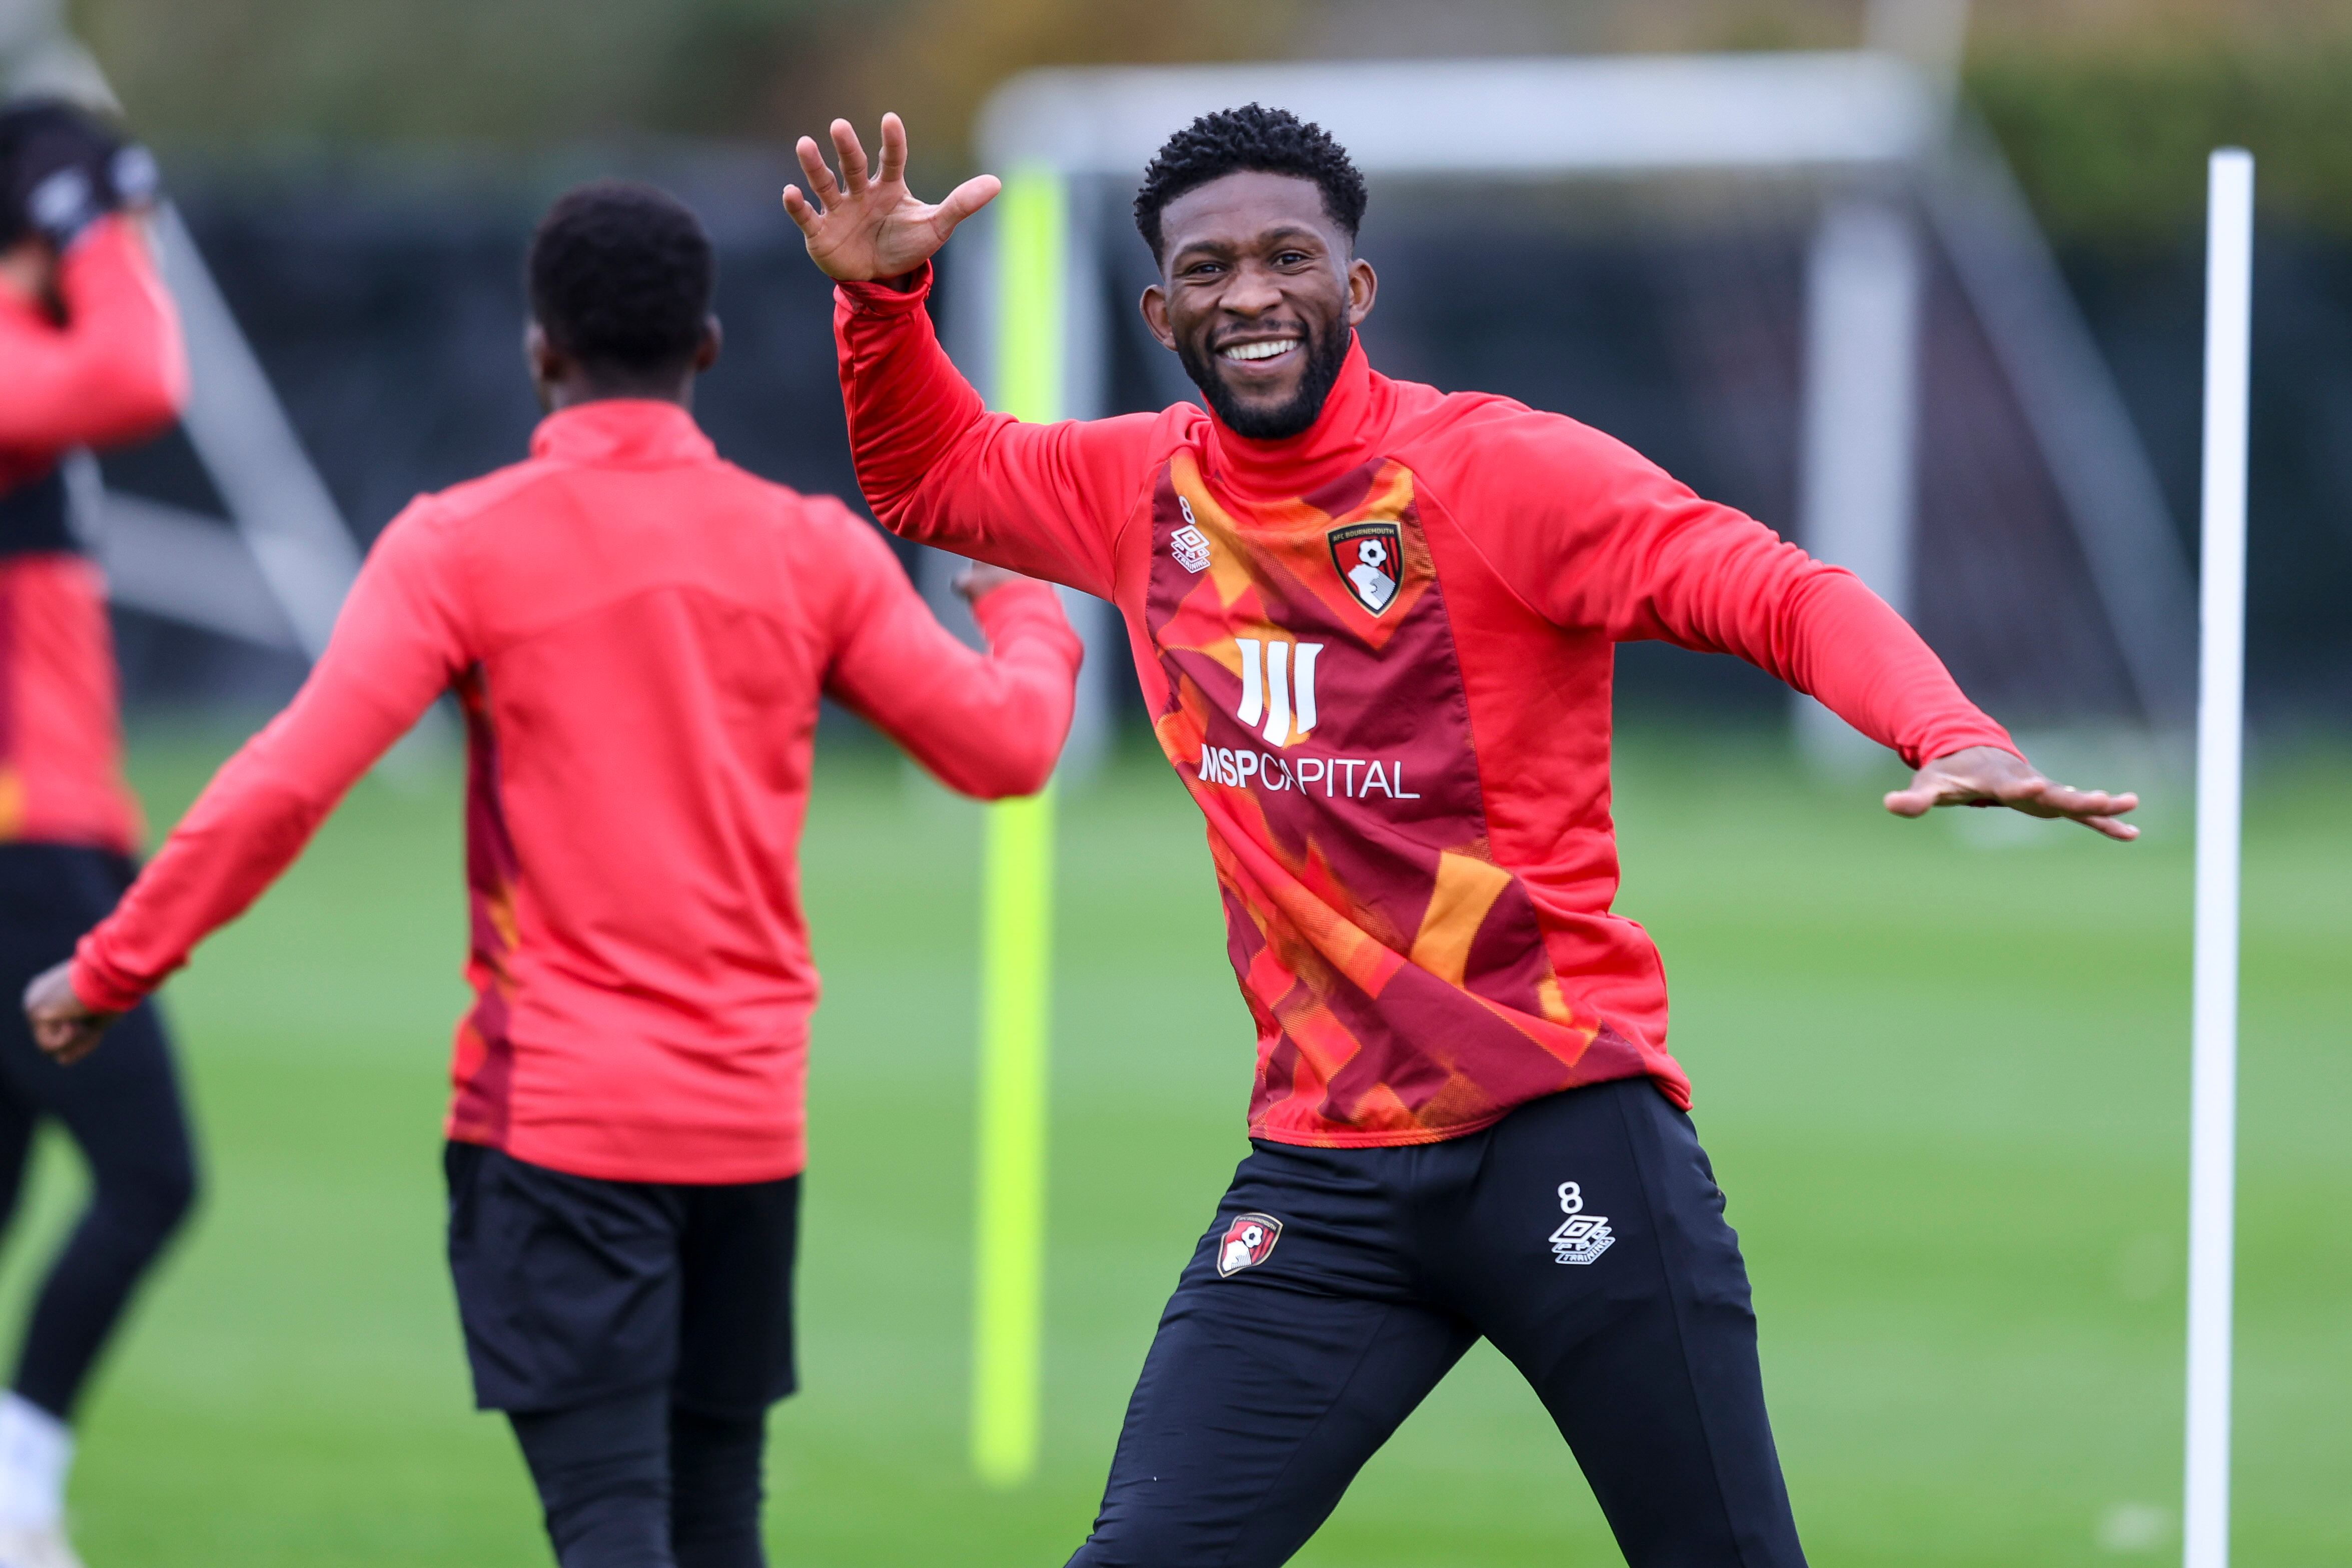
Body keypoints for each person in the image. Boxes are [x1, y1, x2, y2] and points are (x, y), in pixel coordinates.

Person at [783, 106, 2141, 1567]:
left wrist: (1946, 729)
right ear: (1159, 307)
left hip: (1565, 1128)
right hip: (1323, 1169)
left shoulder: (1499, 475)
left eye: (1289, 256)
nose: (1251, 292)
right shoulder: (1136, 491)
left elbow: (1772, 587)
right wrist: (880, 298)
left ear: (1355, 290)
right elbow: (934, 479)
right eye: (1212, 267)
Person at [24, 180, 1083, 1568]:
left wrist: (116, 965)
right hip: (748, 1132)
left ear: (540, 350)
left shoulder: (458, 545)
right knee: (716, 1527)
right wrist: (1028, 612)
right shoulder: (809, 545)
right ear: (706, 345)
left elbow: (289, 782)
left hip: (559, 1128)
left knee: (609, 1529)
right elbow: (1007, 751)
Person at [0, 97, 190, 1568]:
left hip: (60, 837)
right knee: (151, 1173)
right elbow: (142, 370)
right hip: (25, 850)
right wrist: (87, 223)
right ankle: (17, 1488)